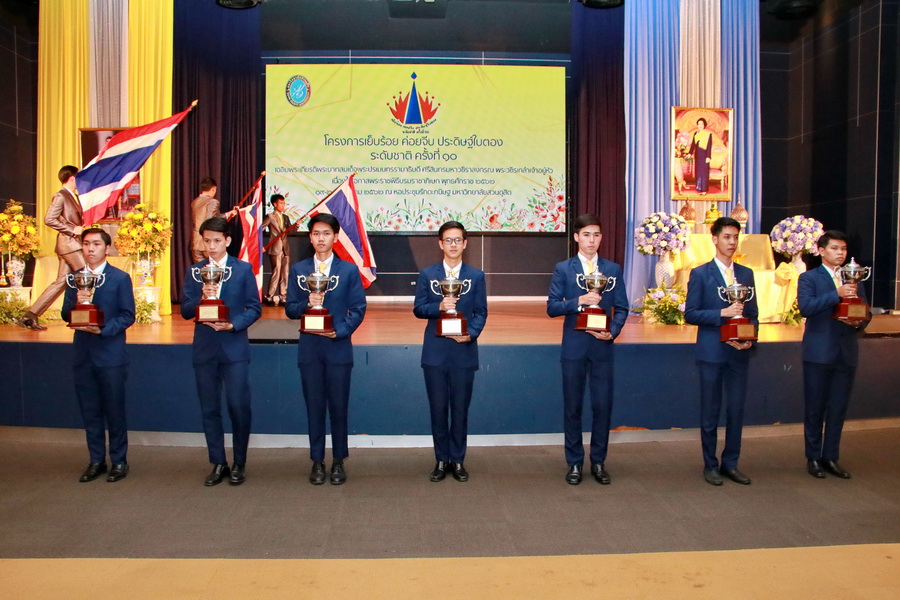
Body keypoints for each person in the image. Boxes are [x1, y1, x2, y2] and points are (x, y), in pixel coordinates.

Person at [547, 214, 629, 486]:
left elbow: (622, 307)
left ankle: (598, 461)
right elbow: (552, 307)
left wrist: (612, 331)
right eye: (586, 235)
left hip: (602, 347)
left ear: (601, 237)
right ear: (576, 237)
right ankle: (574, 462)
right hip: (574, 347)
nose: (591, 240)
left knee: (602, 406)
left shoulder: (612, 269)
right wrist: (579, 301)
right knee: (573, 407)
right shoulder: (563, 269)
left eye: (596, 235)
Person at [285, 214, 367, 486]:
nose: (321, 238)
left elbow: (358, 309)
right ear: (310, 238)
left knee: (339, 406)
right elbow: (290, 309)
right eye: (316, 233)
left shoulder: (348, 270)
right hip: (310, 349)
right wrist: (307, 304)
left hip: (338, 348)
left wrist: (339, 331)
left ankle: (339, 460)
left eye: (326, 233)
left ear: (335, 237)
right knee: (314, 407)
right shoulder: (299, 270)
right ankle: (317, 460)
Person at [181, 216, 262, 486]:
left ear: (227, 241)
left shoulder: (243, 270)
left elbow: (254, 308)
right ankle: (218, 462)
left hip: (234, 348)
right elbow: (185, 310)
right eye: (207, 241)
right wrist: (202, 297)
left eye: (217, 241)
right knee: (209, 408)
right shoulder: (195, 272)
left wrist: (233, 324)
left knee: (238, 406)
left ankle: (239, 462)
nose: (212, 246)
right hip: (204, 349)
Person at [684, 216, 759, 486]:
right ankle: (710, 464)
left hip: (738, 353)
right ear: (714, 239)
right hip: (711, 352)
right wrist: (722, 314)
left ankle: (731, 463)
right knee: (710, 412)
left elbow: (753, 314)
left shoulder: (746, 274)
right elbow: (691, 314)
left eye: (735, 237)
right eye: (726, 237)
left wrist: (750, 340)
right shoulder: (700, 274)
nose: (731, 242)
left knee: (736, 410)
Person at [413, 221, 488, 483]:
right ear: (440, 244)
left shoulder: (476, 276)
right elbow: (419, 308)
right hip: (435, 353)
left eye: (457, 240)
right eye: (448, 240)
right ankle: (441, 459)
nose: (453, 244)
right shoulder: (428, 274)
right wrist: (439, 307)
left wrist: (471, 333)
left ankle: (457, 459)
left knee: (459, 410)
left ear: (465, 244)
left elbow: (481, 312)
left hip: (463, 352)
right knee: (437, 409)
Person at [61, 228, 135, 483]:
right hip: (83, 354)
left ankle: (119, 461)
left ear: (107, 248)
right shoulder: (74, 278)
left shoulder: (119, 278)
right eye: (86, 244)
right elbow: (65, 314)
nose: (90, 249)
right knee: (90, 410)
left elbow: (128, 315)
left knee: (114, 410)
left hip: (111, 355)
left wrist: (103, 329)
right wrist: (77, 303)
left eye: (96, 244)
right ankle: (96, 460)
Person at [797, 230, 867, 479]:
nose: (840, 253)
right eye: (835, 248)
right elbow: (806, 307)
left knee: (838, 409)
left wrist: (858, 322)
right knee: (815, 408)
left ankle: (831, 457)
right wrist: (836, 294)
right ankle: (813, 457)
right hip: (818, 353)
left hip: (846, 352)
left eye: (843, 249)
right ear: (821, 251)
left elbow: (865, 311)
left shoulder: (854, 276)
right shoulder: (809, 278)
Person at [18, 165, 85, 330]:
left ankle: (30, 315)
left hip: (70, 245)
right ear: (72, 178)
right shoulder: (61, 195)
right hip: (69, 245)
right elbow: (49, 219)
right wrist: (72, 230)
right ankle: (82, 317)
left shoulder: (73, 196)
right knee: (86, 276)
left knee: (62, 281)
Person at [191, 177, 230, 263]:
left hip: (196, 242)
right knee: (214, 269)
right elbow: (211, 220)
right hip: (208, 242)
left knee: (199, 269)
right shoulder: (212, 202)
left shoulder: (195, 202)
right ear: (213, 189)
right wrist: (227, 215)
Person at [264, 194, 293, 306]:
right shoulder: (270, 216)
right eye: (281, 203)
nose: (283, 205)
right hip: (275, 248)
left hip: (285, 249)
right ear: (275, 204)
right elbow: (260, 229)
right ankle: (270, 296)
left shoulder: (286, 217)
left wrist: (296, 226)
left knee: (285, 273)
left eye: (284, 203)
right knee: (276, 272)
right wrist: (260, 245)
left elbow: (290, 231)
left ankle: (283, 297)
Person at [689, 118, 713, 195]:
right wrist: (690, 153)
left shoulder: (708, 134)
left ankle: (704, 190)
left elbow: (709, 146)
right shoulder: (696, 134)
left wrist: (708, 157)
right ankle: (699, 188)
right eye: (699, 124)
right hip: (698, 155)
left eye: (701, 124)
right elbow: (693, 144)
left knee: (704, 172)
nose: (700, 125)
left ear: (704, 125)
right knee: (698, 172)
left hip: (705, 155)